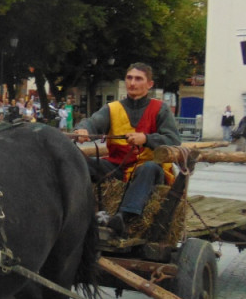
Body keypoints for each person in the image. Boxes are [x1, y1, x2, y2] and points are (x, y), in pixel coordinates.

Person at [73, 63, 181, 236]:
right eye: (129, 78)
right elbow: (93, 123)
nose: (132, 83)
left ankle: (123, 217)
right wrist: (83, 130)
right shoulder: (112, 108)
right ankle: (80, 210)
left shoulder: (161, 109)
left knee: (149, 167)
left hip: (151, 170)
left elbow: (174, 140)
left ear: (149, 84)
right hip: (118, 167)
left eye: (138, 79)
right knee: (80, 162)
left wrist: (146, 139)